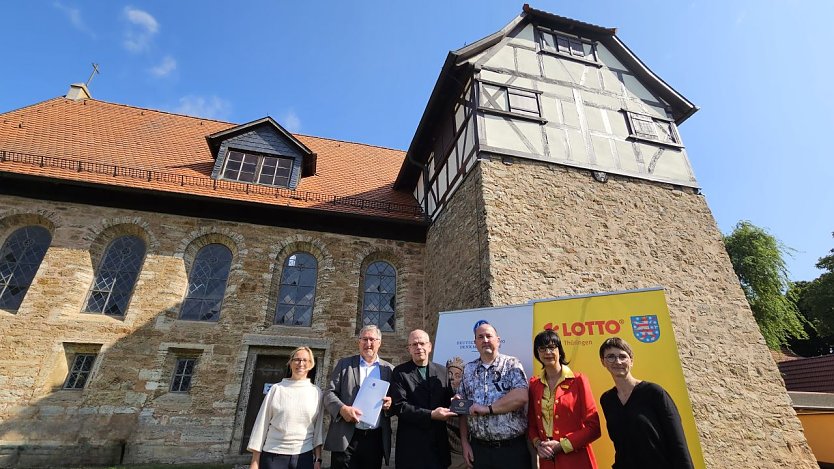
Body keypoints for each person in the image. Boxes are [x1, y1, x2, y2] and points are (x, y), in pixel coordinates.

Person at [598, 337, 694, 469]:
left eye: (622, 356)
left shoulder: (654, 393)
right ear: (603, 362)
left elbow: (677, 441)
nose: (618, 361)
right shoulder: (607, 400)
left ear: (631, 361)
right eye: (611, 357)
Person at [458, 320, 530, 469]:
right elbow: (462, 410)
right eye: (480, 337)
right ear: (475, 343)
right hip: (479, 450)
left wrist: (488, 409)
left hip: (511, 451)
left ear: (498, 340)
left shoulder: (512, 364)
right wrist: (464, 442)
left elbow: (521, 396)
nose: (485, 340)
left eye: (488, 336)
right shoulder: (468, 369)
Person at [323, 325, 394, 469]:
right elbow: (329, 394)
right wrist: (342, 409)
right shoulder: (345, 365)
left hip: (374, 439)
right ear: (359, 342)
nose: (368, 343)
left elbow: (396, 401)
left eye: (372, 339)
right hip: (345, 436)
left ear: (379, 343)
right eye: (364, 339)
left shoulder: (389, 369)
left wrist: (390, 404)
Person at [528, 329, 600, 469]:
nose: (547, 352)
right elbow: (532, 425)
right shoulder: (534, 384)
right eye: (542, 348)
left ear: (559, 350)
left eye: (551, 347)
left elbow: (593, 427)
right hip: (547, 460)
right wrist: (538, 445)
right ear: (537, 353)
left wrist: (561, 445)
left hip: (576, 459)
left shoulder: (579, 380)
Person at [389, 329, 457, 468]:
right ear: (409, 349)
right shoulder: (400, 372)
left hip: (438, 445)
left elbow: (448, 401)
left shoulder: (442, 371)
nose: (418, 347)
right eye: (414, 344)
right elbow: (399, 406)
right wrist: (431, 415)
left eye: (422, 343)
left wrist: (456, 401)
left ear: (429, 346)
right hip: (412, 446)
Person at [247, 346, 324, 469]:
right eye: (297, 359)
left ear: (311, 364)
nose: (301, 363)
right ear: (290, 363)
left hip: (303, 456)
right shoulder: (277, 389)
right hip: (273, 455)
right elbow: (261, 424)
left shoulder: (316, 392)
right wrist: (255, 461)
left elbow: (318, 428)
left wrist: (318, 459)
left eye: (305, 360)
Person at [445, 356, 467, 469]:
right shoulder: (440, 399)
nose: (452, 378)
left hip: (463, 453)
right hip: (446, 453)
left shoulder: (467, 400)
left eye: (458, 376)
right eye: (449, 375)